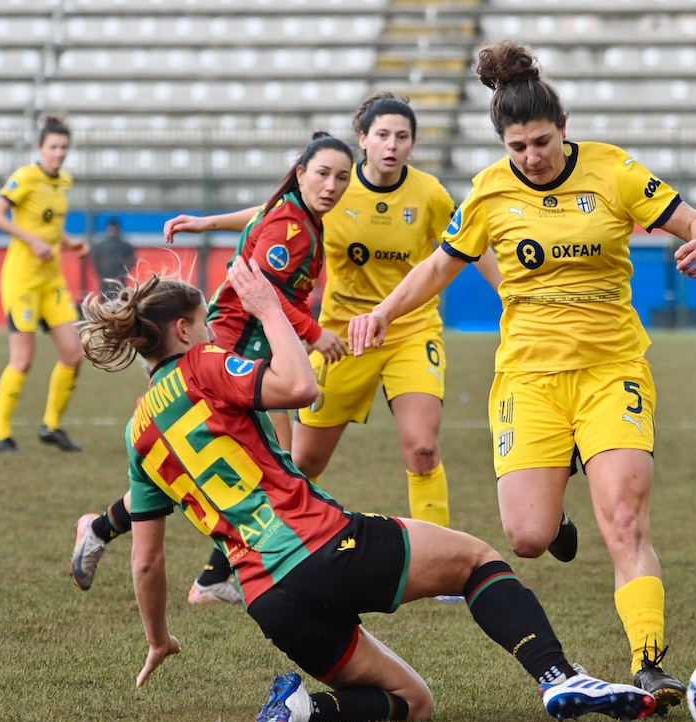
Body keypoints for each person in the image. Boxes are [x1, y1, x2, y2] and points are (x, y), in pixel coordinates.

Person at [75, 257, 658, 722]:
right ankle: (558, 678)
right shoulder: (202, 364)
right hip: (322, 546)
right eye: (203, 323)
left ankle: (303, 711)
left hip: (270, 603)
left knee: (413, 701)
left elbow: (147, 558)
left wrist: (158, 640)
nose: (208, 331)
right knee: (478, 561)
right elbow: (302, 386)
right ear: (182, 331)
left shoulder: (137, 432)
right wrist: (270, 309)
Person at [348, 40, 696, 716]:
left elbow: (694, 219)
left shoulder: (612, 171)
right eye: (518, 146)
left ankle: (649, 662)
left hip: (612, 371)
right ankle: (559, 511)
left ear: (563, 129)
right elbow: (439, 267)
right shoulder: (490, 191)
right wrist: (381, 311)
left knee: (627, 520)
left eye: (542, 142)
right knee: (526, 536)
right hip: (529, 379)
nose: (532, 157)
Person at [159, 93, 501, 536]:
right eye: (382, 135)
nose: (392, 145)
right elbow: (269, 215)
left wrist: (508, 292)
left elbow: (470, 242)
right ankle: (284, 540)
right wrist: (206, 223)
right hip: (339, 336)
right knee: (303, 460)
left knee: (422, 450)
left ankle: (442, 556)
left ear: (413, 144)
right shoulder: (336, 186)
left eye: (402, 136)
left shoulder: (430, 194)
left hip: (410, 332)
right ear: (363, 139)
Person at [70, 132, 354, 605]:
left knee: (230, 463)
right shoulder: (294, 226)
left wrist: (205, 224)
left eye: (342, 177)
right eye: (323, 173)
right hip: (227, 346)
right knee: (267, 463)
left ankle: (186, 568)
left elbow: (257, 216)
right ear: (301, 173)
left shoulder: (291, 211)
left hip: (242, 347)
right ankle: (213, 571)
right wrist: (314, 334)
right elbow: (264, 290)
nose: (332, 185)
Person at [0, 115, 90, 454]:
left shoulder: (64, 182)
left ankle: (52, 426)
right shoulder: (25, 177)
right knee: (23, 360)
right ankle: (1, 435)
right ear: (39, 148)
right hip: (23, 282)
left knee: (73, 354)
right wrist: (31, 241)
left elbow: (50, 229)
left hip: (51, 281)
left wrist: (69, 242)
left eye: (63, 147)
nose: (59, 153)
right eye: (53, 147)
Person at [89, 218, 136, 298]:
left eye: (114, 230)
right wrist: (101, 271)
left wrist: (124, 272)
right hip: (105, 279)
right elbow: (94, 260)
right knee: (105, 300)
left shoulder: (124, 246)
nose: (112, 232)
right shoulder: (100, 246)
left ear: (118, 230)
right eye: (111, 230)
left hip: (120, 279)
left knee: (120, 300)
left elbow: (132, 260)